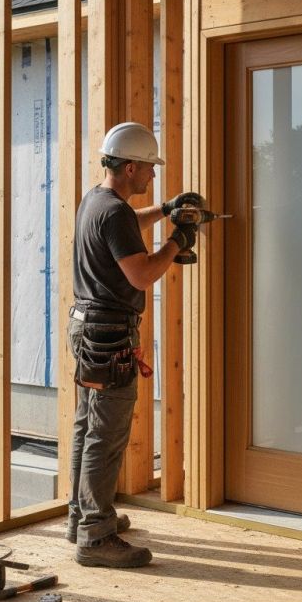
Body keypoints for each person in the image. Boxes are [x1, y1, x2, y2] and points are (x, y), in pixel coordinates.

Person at [66, 121, 202, 568]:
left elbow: (125, 227)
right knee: (105, 437)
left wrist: (165, 209)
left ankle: (82, 518)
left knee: (88, 428)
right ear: (129, 168)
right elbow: (141, 275)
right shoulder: (114, 213)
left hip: (87, 329)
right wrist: (177, 242)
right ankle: (96, 537)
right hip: (109, 338)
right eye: (148, 167)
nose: (153, 174)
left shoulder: (98, 201)